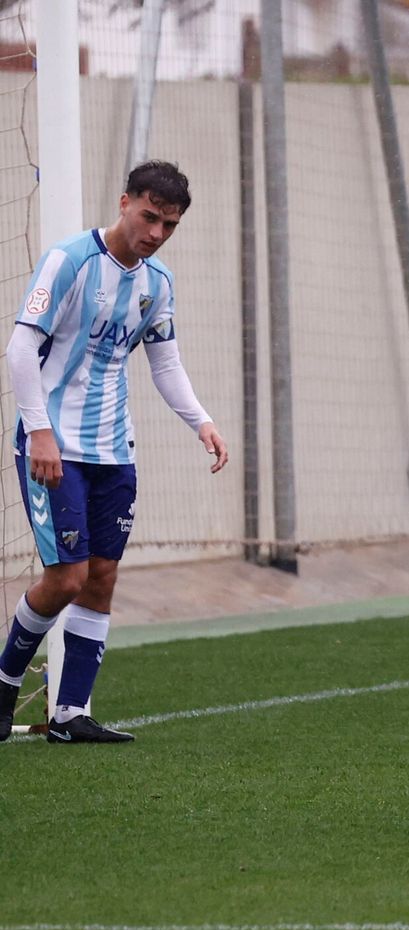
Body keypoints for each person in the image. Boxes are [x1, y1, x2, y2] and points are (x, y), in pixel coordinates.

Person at [0, 160, 228, 743]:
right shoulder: (71, 260)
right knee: (66, 578)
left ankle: (71, 713)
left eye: (169, 225)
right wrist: (39, 430)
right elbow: (22, 348)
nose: (155, 233)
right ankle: (3, 683)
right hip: (53, 444)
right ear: (125, 202)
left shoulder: (159, 283)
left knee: (101, 576)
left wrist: (199, 419)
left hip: (113, 449)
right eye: (149, 216)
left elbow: (164, 361)